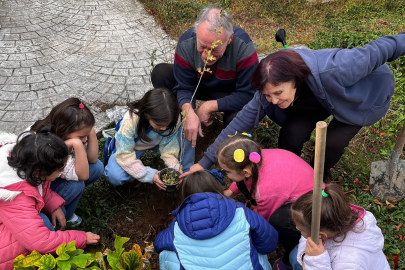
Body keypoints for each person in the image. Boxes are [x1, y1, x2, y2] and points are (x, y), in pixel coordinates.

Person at [185, 32, 405, 180]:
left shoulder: (339, 68)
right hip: (317, 97)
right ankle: (287, 173)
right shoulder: (269, 88)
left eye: (278, 94)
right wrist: (205, 162)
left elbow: (384, 47)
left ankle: (319, 175)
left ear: (295, 78)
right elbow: (241, 122)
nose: (272, 101)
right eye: (268, 95)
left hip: (362, 95)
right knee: (291, 134)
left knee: (330, 144)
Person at [151, 6, 259, 149]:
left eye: (214, 49)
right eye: (202, 47)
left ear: (230, 39)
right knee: (161, 73)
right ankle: (174, 125)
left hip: (231, 91)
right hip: (200, 85)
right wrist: (188, 112)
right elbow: (184, 86)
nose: (207, 56)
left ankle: (229, 149)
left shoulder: (243, 47)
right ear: (196, 33)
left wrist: (210, 106)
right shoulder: (186, 43)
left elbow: (249, 94)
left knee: (238, 117)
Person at [0, 127, 99, 270]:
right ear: (39, 172)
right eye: (60, 170)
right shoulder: (14, 196)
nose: (63, 171)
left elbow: (39, 186)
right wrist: (81, 238)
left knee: (44, 222)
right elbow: (40, 241)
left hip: (10, 218)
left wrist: (54, 204)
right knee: (40, 228)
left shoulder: (26, 163)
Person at [217, 134, 315, 270]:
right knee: (241, 181)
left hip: (312, 204)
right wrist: (230, 191)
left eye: (226, 171)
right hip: (294, 184)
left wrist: (253, 219)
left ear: (246, 172)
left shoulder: (264, 191)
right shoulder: (254, 158)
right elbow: (242, 179)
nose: (224, 173)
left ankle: (290, 255)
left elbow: (264, 218)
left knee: (278, 220)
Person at [154, 170, 278, 269]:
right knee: (256, 247)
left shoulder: (178, 226)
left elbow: (159, 244)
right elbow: (269, 243)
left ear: (186, 195)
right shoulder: (239, 210)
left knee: (167, 254)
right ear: (216, 189)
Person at [31, 98, 104, 227]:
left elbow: (92, 159)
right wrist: (76, 144)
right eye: (81, 136)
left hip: (50, 182)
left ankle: (63, 209)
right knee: (76, 185)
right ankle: (63, 217)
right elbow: (83, 176)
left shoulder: (64, 135)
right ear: (63, 130)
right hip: (38, 190)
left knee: (97, 167)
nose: (84, 140)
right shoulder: (48, 147)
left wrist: (90, 132)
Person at [104, 88, 194, 190]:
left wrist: (175, 168)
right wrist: (149, 175)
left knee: (187, 129)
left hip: (156, 142)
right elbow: (124, 155)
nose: (164, 129)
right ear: (146, 114)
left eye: (167, 125)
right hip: (133, 146)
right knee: (114, 176)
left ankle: (187, 175)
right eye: (159, 125)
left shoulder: (173, 117)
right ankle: (134, 176)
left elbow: (169, 149)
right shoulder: (131, 120)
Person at [290, 183, 390, 270]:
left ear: (321, 235)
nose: (297, 228)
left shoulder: (348, 263)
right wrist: (306, 256)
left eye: (301, 229)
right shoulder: (338, 216)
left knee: (295, 257)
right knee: (295, 255)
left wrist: (315, 262)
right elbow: (307, 238)